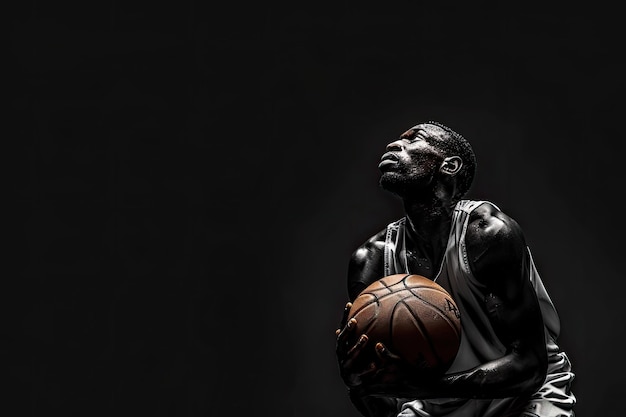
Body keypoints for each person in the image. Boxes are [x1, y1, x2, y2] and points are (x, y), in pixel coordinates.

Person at [335, 121, 576, 417]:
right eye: (398, 140)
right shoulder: (371, 260)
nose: (394, 145)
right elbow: (385, 403)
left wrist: (425, 388)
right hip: (434, 408)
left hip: (523, 398)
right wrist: (360, 385)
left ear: (449, 165)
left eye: (414, 140)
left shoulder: (487, 234)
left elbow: (530, 366)